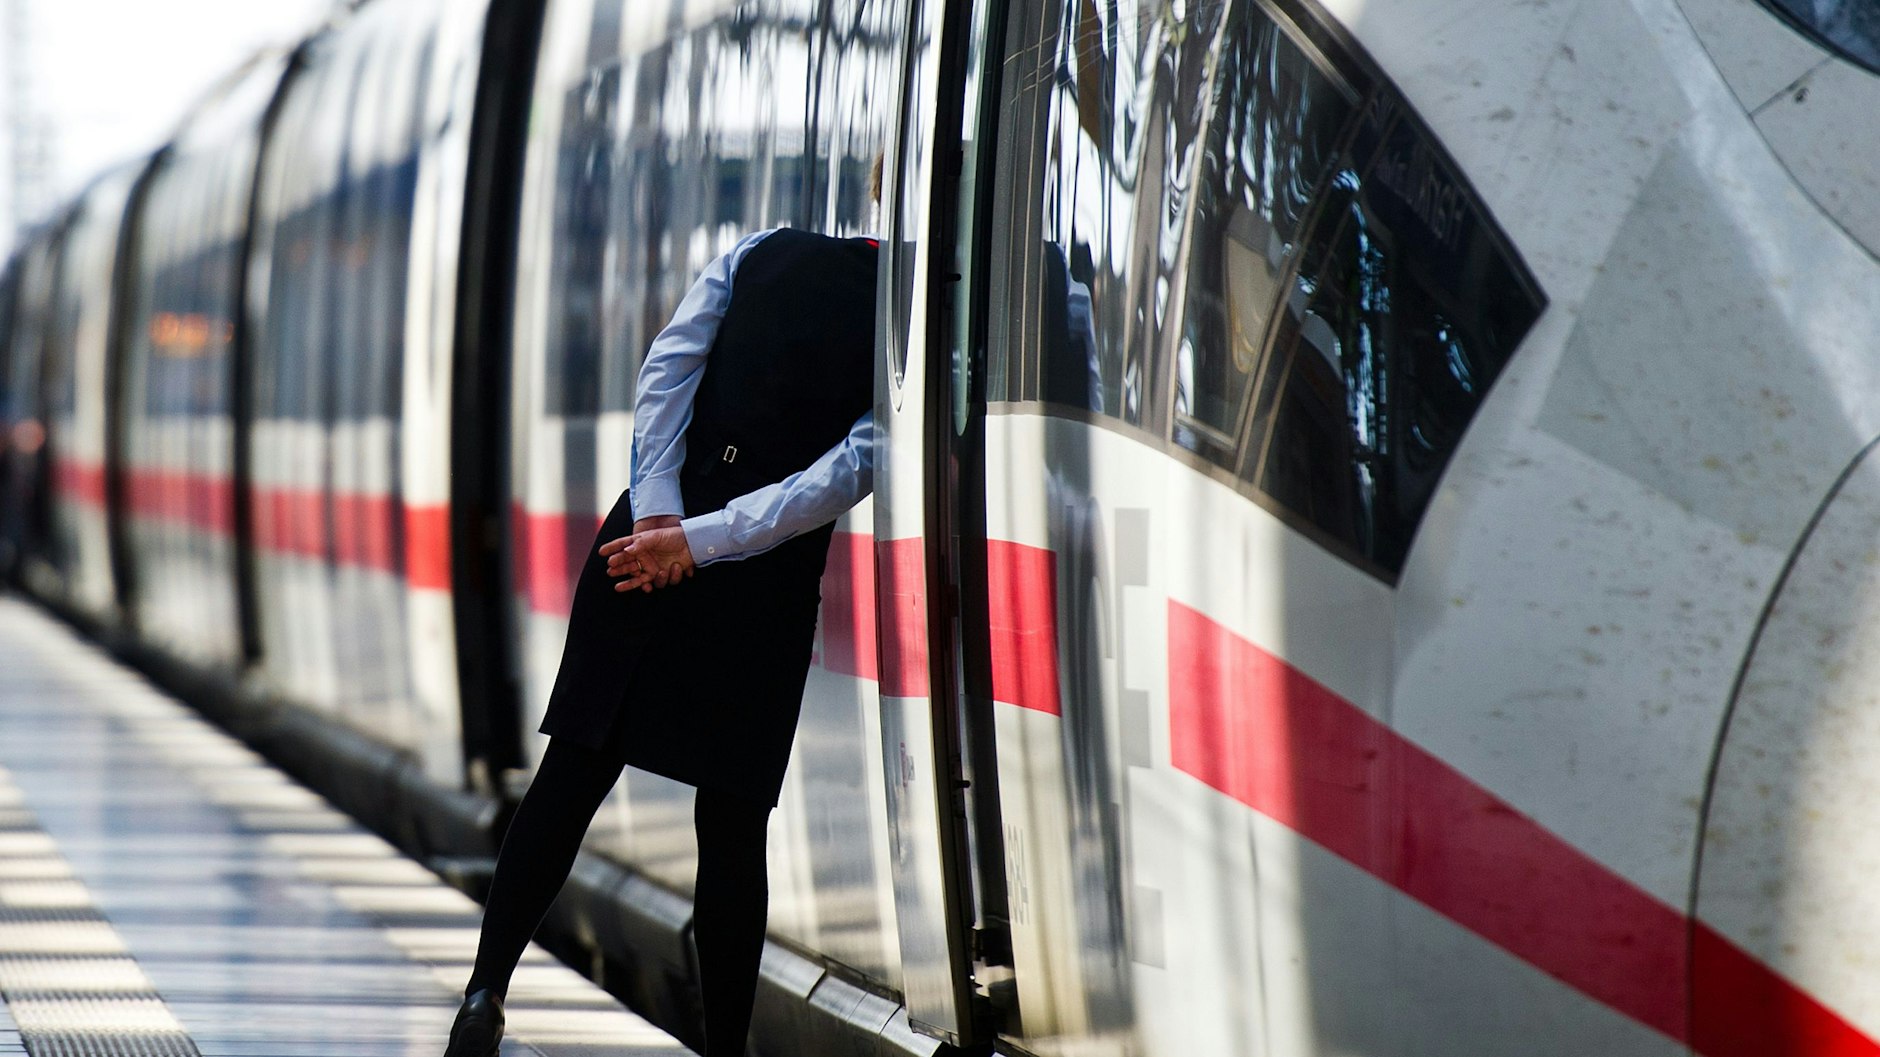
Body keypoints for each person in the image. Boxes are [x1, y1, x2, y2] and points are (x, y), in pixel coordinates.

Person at [443, 224, 878, 1057]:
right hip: (761, 581)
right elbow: (843, 473)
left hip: (642, 549)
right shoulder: (911, 325)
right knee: (732, 819)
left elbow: (668, 369)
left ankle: (484, 992)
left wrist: (661, 516)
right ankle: (722, 1049)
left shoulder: (758, 252)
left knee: (571, 773)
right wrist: (703, 539)